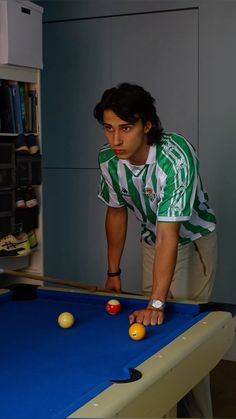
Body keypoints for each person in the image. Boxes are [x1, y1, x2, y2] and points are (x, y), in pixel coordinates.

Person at [94, 83, 217, 418]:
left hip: (191, 242)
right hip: (154, 241)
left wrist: (158, 302)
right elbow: (116, 211)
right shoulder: (109, 160)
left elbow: (170, 234)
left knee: (184, 340)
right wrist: (113, 271)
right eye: (109, 129)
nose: (115, 140)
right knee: (155, 337)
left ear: (146, 125)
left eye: (125, 128)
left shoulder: (175, 157)